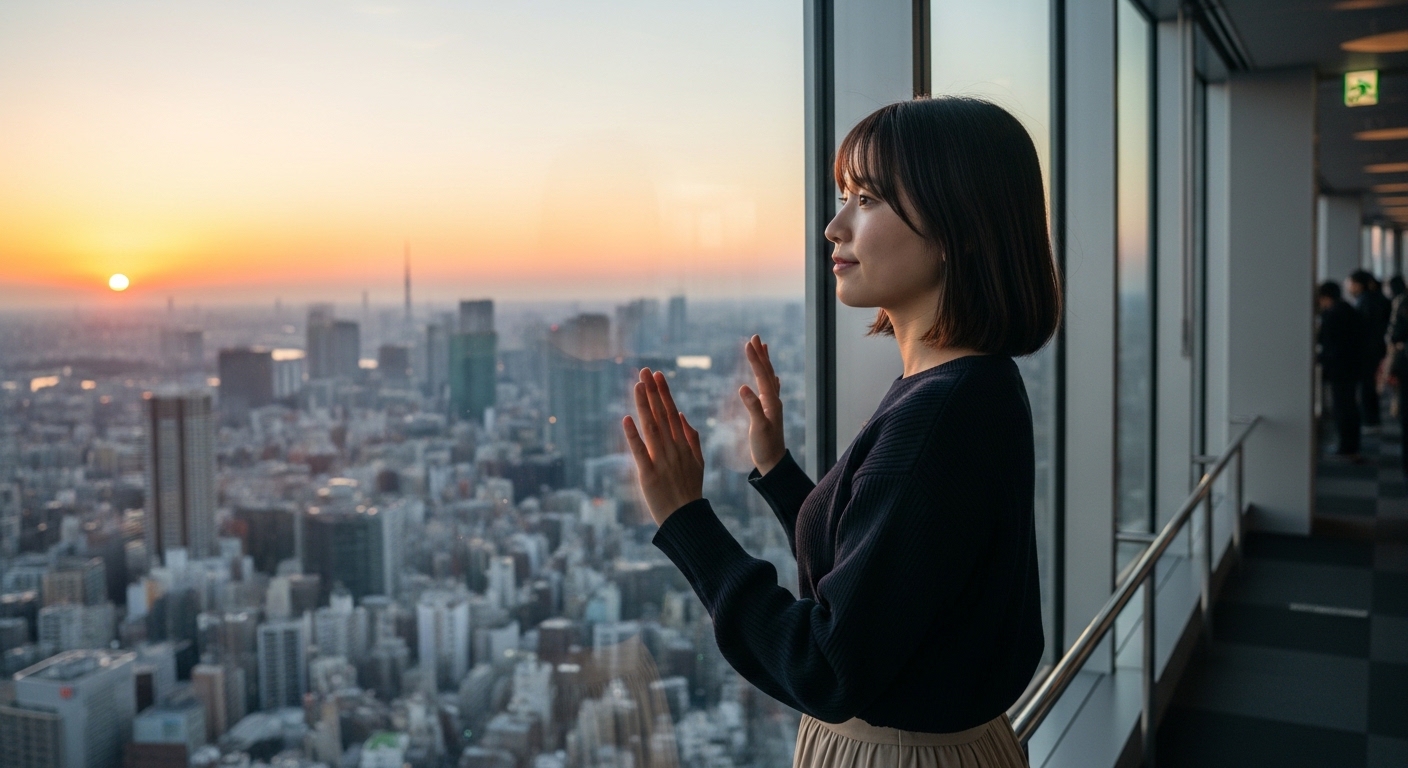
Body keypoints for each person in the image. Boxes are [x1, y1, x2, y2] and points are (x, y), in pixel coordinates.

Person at [621, 98, 1060, 768]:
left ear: (959, 228)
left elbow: (826, 664)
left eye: (867, 199)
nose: (834, 227)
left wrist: (686, 520)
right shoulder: (970, 385)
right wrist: (778, 473)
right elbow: (888, 576)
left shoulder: (940, 413)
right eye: (843, 198)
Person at [1320, 281, 1364, 459]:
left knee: (1342, 407)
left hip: (1340, 368)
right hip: (1351, 366)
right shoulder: (1348, 310)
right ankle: (1351, 445)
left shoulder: (1333, 314)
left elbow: (1329, 343)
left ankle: (1346, 447)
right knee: (1349, 406)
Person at [1348, 270, 1390, 429]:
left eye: (1351, 283)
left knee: (1368, 385)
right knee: (1370, 384)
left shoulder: (1365, 302)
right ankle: (1372, 419)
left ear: (1358, 284)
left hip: (1368, 350)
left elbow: (1365, 328)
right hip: (1376, 349)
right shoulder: (1377, 299)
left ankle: (1370, 420)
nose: (1349, 287)